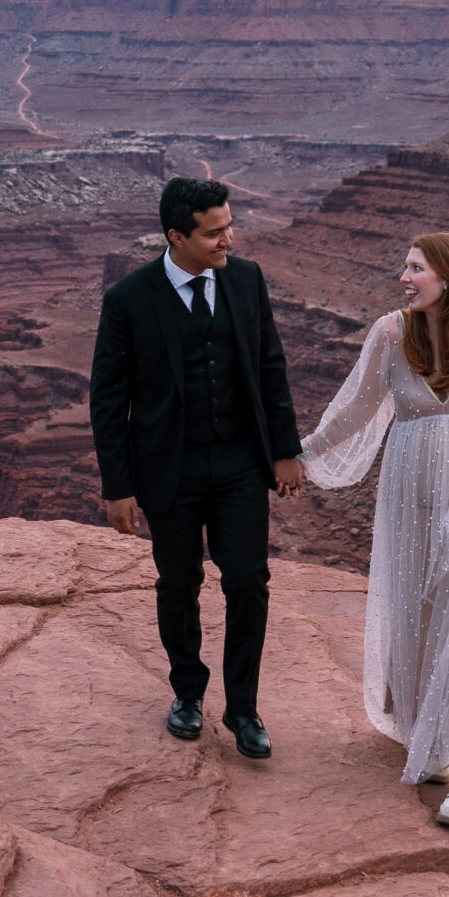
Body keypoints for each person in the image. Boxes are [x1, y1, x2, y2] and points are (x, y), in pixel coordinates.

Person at [298, 231, 449, 827]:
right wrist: (296, 453)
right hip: (408, 501)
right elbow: (356, 409)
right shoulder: (392, 332)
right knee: (417, 611)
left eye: (416, 269)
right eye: (405, 268)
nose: (404, 279)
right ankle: (428, 739)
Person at [90, 176, 305, 760]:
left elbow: (270, 366)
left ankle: (243, 708)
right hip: (170, 469)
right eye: (214, 232)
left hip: (238, 462)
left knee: (247, 581)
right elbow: (108, 399)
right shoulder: (129, 300)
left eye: (229, 226)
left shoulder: (246, 279)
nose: (227, 239)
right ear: (176, 236)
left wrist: (285, 449)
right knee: (178, 584)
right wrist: (119, 487)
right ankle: (187, 692)